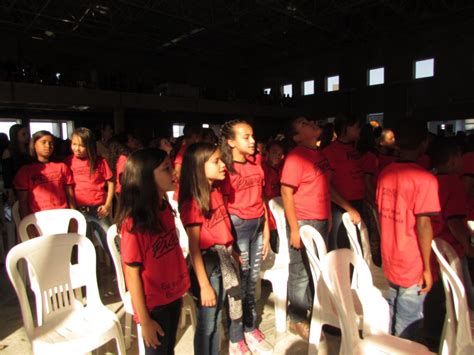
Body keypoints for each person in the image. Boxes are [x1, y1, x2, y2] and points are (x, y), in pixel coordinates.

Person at [116, 148, 190, 355]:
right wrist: (145, 320)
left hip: (172, 296)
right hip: (154, 305)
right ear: (147, 177)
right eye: (166, 169)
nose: (173, 173)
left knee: (168, 349)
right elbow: (131, 273)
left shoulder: (164, 208)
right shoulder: (134, 223)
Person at [376, 120, 440, 340]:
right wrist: (427, 267)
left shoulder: (385, 174)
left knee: (392, 310)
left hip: (390, 256)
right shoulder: (425, 179)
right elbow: (423, 225)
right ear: (424, 144)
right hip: (412, 262)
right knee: (407, 326)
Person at [178, 142, 245, 355]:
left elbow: (222, 227)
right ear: (199, 166)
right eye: (216, 161)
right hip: (208, 267)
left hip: (222, 259)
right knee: (207, 324)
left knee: (216, 320)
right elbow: (194, 248)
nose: (223, 165)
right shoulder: (193, 203)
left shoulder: (214, 191)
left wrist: (232, 251)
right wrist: (204, 285)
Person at [219, 119, 273, 354]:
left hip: (258, 227)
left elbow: (261, 200)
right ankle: (235, 335)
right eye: (246, 137)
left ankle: (249, 328)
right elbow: (220, 208)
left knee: (252, 282)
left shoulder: (256, 165)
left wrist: (267, 231)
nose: (252, 141)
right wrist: (228, 242)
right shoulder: (224, 170)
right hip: (237, 228)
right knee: (237, 285)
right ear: (230, 141)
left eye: (253, 136)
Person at [280, 117, 331, 340]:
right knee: (300, 272)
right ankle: (297, 318)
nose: (311, 122)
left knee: (315, 271)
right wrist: (294, 229)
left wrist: (327, 217)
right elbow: (286, 192)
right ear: (297, 137)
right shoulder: (296, 157)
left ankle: (314, 311)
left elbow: (324, 187)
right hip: (303, 221)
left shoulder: (318, 153)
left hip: (319, 220)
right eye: (302, 123)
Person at [65, 127, 114, 250]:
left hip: (99, 209)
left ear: (90, 146)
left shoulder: (100, 162)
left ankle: (118, 268)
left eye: (81, 145)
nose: (77, 148)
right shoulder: (68, 162)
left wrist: (107, 205)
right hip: (79, 210)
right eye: (74, 144)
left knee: (109, 243)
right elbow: (68, 186)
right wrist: (72, 208)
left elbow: (111, 182)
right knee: (83, 246)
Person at [322, 114, 363, 251]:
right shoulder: (330, 151)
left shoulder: (354, 149)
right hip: (340, 207)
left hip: (357, 204)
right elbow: (327, 185)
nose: (359, 130)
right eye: (356, 127)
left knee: (356, 248)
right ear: (346, 128)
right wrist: (349, 208)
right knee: (341, 249)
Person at [14, 130, 75, 219]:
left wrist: (74, 219)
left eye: (51, 143)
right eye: (43, 142)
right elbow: (23, 203)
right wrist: (28, 226)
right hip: (37, 219)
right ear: (34, 145)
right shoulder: (25, 171)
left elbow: (70, 196)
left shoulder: (62, 167)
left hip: (63, 217)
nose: (48, 146)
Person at [262, 140, 284, 253]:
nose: (277, 156)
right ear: (267, 153)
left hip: (279, 213)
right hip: (268, 214)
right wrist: (270, 203)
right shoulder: (262, 169)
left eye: (280, 154)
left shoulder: (281, 169)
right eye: (274, 152)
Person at [1, 124, 31, 207]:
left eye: (27, 133)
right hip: (16, 187)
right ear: (15, 136)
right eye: (23, 134)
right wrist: (10, 192)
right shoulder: (8, 152)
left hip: (30, 184)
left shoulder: (30, 151)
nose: (27, 136)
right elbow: (7, 174)